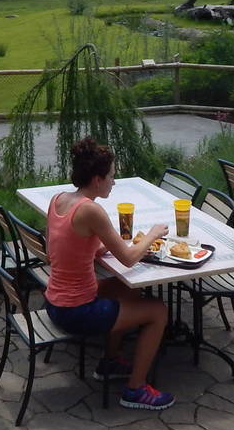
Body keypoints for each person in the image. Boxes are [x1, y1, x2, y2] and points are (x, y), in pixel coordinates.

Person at [45, 138, 174, 410]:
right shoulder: (91, 209)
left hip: (56, 301)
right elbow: (127, 259)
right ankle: (135, 390)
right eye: (111, 177)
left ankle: (110, 361)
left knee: (127, 291)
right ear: (96, 179)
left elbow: (67, 244)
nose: (114, 182)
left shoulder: (59, 200)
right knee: (158, 311)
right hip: (76, 311)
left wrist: (100, 247)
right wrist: (152, 234)